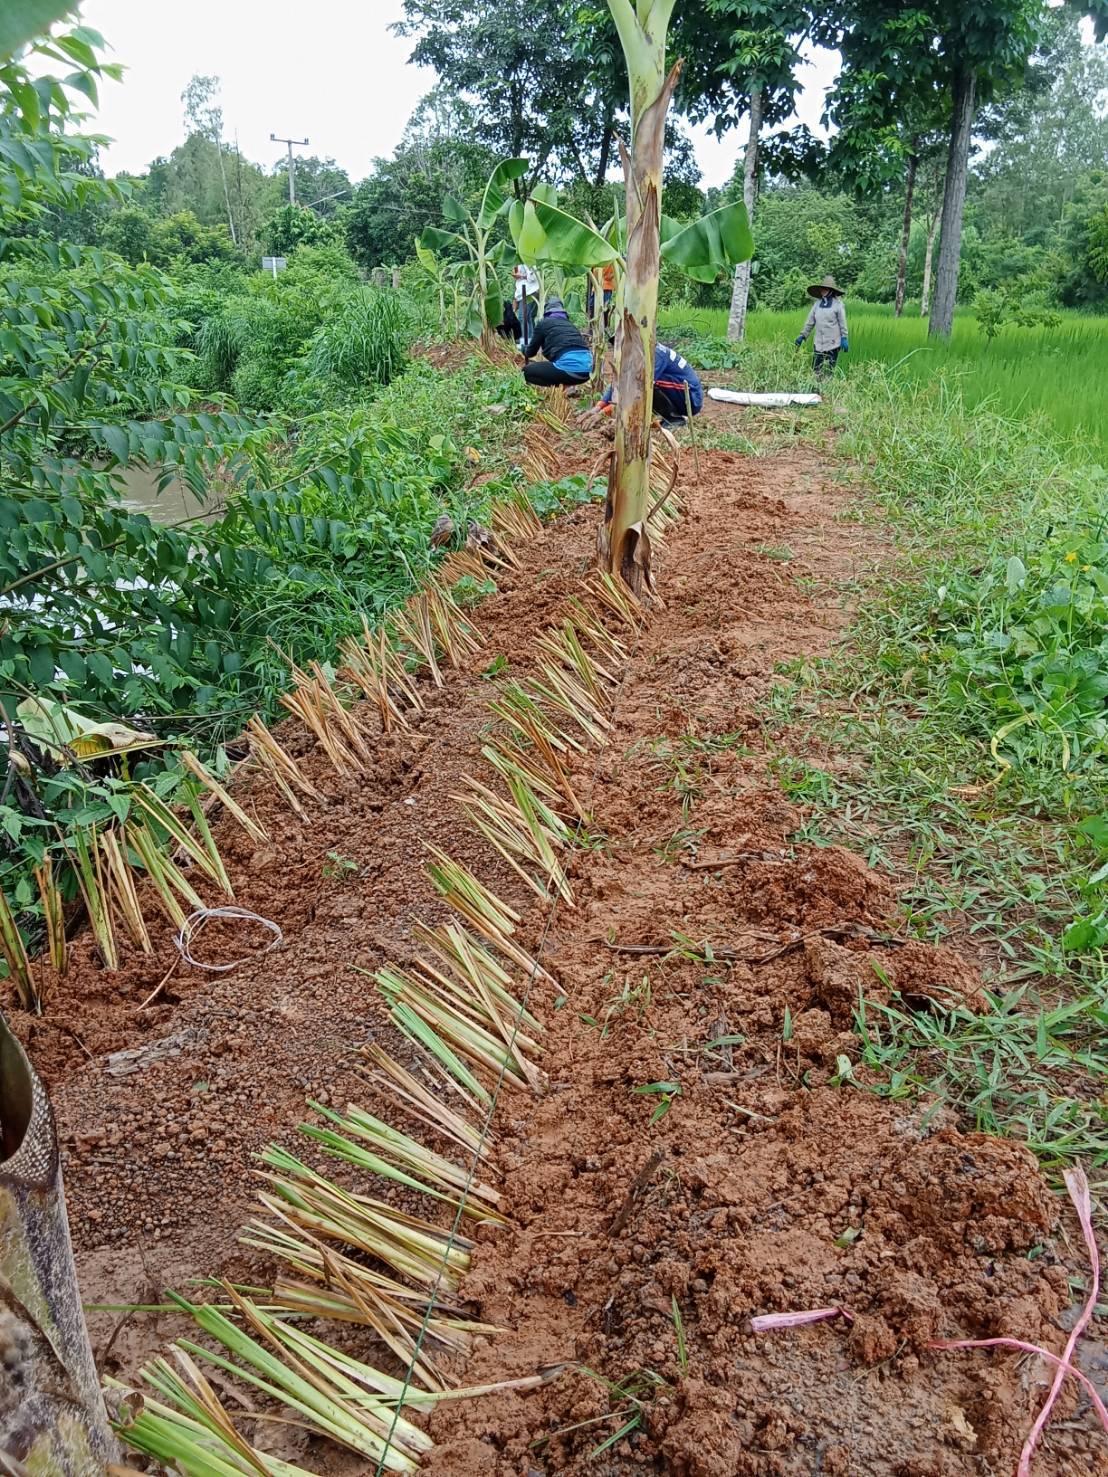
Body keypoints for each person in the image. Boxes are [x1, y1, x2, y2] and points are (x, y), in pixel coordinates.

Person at [599, 342, 703, 429]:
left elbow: (637, 388)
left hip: (690, 397)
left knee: (645, 384)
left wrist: (603, 414)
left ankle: (674, 419)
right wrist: (597, 408)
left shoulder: (654, 354)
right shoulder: (638, 354)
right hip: (679, 394)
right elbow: (620, 381)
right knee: (636, 381)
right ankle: (668, 418)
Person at [521, 298, 594, 387]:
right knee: (561, 362)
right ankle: (567, 388)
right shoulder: (571, 325)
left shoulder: (543, 323)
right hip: (587, 372)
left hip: (570, 371)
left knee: (526, 372)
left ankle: (561, 387)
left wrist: (524, 349)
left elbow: (530, 352)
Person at [794, 275, 848, 375]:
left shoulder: (838, 305)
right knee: (815, 370)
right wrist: (803, 335)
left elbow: (842, 323)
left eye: (825, 289)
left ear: (831, 290)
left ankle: (828, 389)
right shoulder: (817, 305)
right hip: (818, 343)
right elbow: (810, 322)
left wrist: (844, 337)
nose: (823, 291)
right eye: (822, 289)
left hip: (833, 344)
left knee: (829, 371)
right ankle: (816, 388)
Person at [513, 262, 540, 344]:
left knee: (523, 318)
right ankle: (531, 340)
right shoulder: (518, 262)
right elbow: (516, 276)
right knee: (528, 318)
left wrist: (522, 276)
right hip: (522, 293)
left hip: (529, 292)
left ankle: (526, 341)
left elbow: (534, 277)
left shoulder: (530, 261)